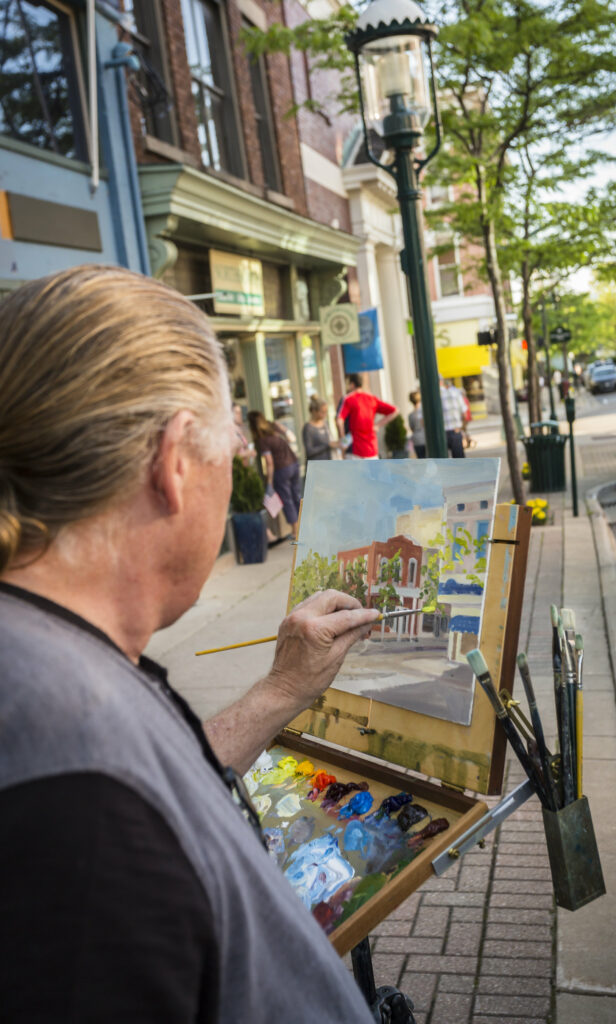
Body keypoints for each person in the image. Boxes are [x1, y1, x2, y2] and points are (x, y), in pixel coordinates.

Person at [0, 266, 378, 1024]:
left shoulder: (46, 656)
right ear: (175, 462)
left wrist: (278, 690)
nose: (234, 465)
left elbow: (154, 782)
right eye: (230, 448)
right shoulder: (76, 796)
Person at [248, 410, 301, 537]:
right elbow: (291, 438)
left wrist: (269, 481)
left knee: (287, 499)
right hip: (293, 463)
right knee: (297, 496)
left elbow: (269, 462)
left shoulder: (262, 440)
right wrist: (282, 429)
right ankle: (305, 526)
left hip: (281, 470)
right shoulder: (274, 427)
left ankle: (295, 531)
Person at [336, 373, 398, 459]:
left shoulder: (348, 399)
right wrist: (377, 425)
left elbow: (339, 421)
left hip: (355, 451)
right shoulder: (372, 398)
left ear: (352, 384)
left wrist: (343, 441)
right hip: (372, 449)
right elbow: (394, 411)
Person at [302, 395, 339, 462]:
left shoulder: (325, 423)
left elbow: (330, 440)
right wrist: (327, 445)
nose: (325, 415)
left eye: (326, 412)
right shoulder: (308, 428)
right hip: (316, 466)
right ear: (314, 411)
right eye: (322, 412)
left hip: (328, 463)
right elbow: (309, 451)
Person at [439, 377, 468, 458]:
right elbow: (465, 414)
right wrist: (462, 428)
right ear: (442, 382)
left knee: (442, 463)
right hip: (455, 431)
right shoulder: (456, 392)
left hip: (440, 434)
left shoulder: (433, 395)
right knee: (459, 461)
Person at [408, 390, 426, 458]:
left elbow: (412, 428)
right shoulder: (424, 412)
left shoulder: (411, 415)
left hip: (417, 440)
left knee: (421, 461)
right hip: (426, 439)